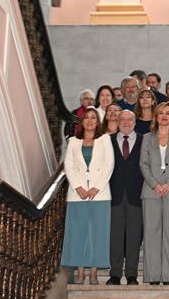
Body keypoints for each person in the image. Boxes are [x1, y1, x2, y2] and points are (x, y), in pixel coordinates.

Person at [61, 107, 115, 285]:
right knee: (78, 233)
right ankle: (81, 272)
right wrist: (78, 187)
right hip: (77, 195)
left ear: (98, 122)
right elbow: (68, 165)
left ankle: (93, 273)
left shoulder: (105, 139)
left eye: (94, 117)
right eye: (87, 118)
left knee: (97, 233)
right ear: (81, 122)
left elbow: (109, 165)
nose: (90, 121)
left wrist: (96, 188)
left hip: (100, 195)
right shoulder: (74, 142)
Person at [140, 102, 169, 285]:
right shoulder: (146, 138)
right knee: (151, 234)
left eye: (168, 113)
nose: (165, 116)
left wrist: (168, 184)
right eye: (161, 113)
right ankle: (152, 276)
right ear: (156, 116)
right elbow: (143, 164)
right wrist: (154, 184)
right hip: (151, 191)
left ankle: (168, 276)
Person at [106, 110, 144, 286]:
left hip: (137, 195)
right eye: (122, 119)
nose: (126, 122)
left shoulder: (145, 140)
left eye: (129, 119)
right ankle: (114, 274)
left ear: (135, 122)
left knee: (134, 237)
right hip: (115, 195)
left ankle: (131, 275)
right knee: (115, 237)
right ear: (118, 121)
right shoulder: (109, 140)